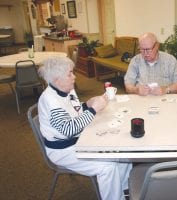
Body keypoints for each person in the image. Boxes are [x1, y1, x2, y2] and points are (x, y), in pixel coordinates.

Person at [38, 56, 132, 200]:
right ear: (57, 79)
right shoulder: (51, 101)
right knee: (107, 168)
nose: (74, 77)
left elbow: (73, 111)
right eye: (70, 74)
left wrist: (87, 104)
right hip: (63, 150)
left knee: (120, 150)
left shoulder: (66, 89)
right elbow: (68, 129)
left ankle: (124, 189)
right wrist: (93, 110)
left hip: (79, 140)